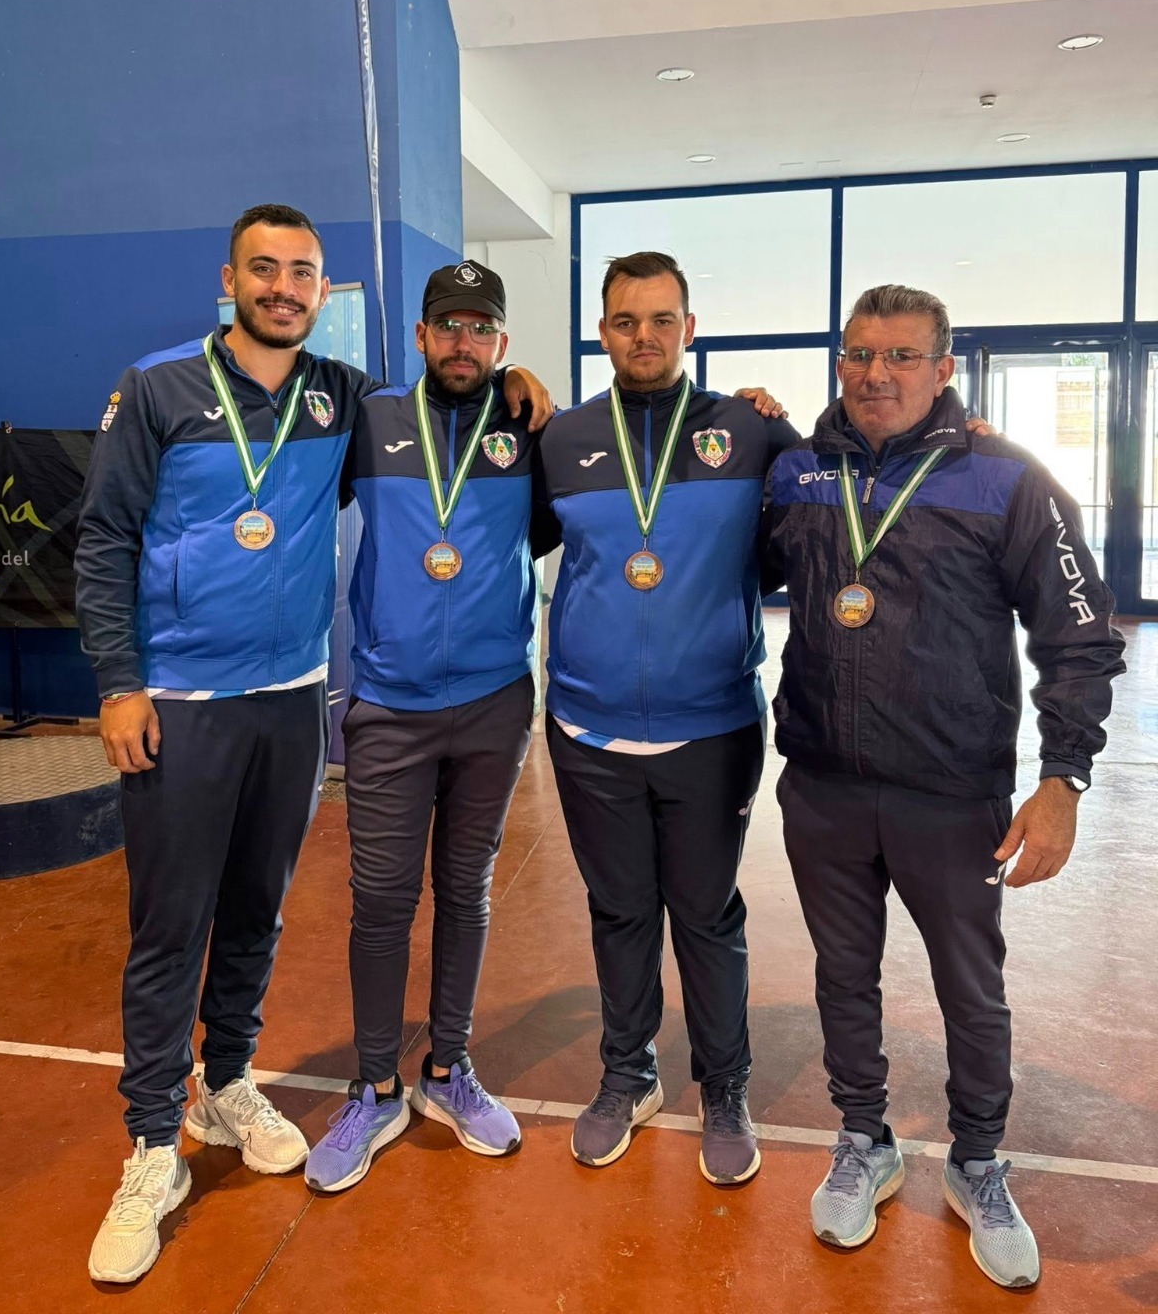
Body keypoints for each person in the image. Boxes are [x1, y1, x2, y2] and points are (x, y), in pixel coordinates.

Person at [75, 210, 548, 1283]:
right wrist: (118, 683)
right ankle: (151, 1143)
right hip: (182, 698)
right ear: (231, 278)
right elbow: (104, 536)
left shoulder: (341, 398)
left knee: (257, 910)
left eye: (302, 273)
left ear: (322, 291)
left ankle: (228, 1083)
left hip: (293, 695)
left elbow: (455, 418)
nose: (283, 288)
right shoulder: (158, 388)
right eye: (266, 269)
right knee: (170, 924)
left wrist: (528, 390)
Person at [759, 282, 1126, 1289]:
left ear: (943, 368)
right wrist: (744, 421)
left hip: (953, 791)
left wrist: (1064, 779)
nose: (876, 373)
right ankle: (862, 1138)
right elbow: (735, 561)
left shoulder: (1006, 478)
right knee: (843, 972)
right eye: (859, 353)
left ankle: (977, 1160)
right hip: (823, 784)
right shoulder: (796, 470)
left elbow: (1080, 635)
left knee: (971, 984)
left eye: (902, 355)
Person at [533, 250, 798, 1187]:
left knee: (706, 915)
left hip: (711, 725)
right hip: (589, 727)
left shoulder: (750, 431)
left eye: (660, 320)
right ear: (602, 332)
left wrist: (964, 433)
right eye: (624, 321)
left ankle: (724, 1086)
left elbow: (824, 511)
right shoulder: (561, 439)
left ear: (689, 328)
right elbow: (498, 535)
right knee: (619, 911)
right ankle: (628, 1073)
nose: (642, 336)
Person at [304, 263, 544, 1193]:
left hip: (493, 702)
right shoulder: (369, 421)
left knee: (466, 889)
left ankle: (447, 1069)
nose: (463, 343)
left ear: (502, 344)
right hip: (390, 705)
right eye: (448, 326)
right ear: (419, 335)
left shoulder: (531, 432)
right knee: (380, 900)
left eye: (481, 329)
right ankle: (374, 1087)